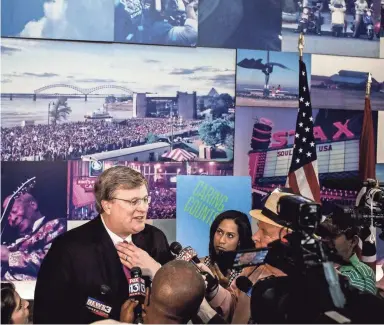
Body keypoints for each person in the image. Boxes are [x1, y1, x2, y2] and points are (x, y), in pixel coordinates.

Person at [33, 166, 173, 324]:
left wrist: (157, 271)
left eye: (145, 199)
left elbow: (176, 305)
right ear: (107, 205)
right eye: (133, 201)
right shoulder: (67, 249)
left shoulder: (155, 238)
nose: (143, 208)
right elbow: (47, 316)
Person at [204, 189, 289, 324]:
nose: (255, 237)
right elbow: (233, 305)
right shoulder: (253, 262)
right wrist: (214, 289)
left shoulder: (305, 282)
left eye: (264, 232)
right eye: (258, 228)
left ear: (287, 239)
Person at [1, 192, 66, 281]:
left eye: (14, 211)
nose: (12, 219)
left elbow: (54, 261)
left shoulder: (57, 224)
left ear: (33, 205)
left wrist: (9, 256)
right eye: (8, 217)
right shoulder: (18, 241)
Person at [318, 218, 377, 295]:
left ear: (353, 241)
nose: (325, 242)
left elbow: (363, 303)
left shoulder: (364, 274)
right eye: (323, 237)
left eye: (333, 237)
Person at [201, 210, 254, 288]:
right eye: (219, 232)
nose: (221, 240)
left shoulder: (247, 274)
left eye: (230, 235)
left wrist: (222, 289)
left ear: (240, 241)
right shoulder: (200, 265)